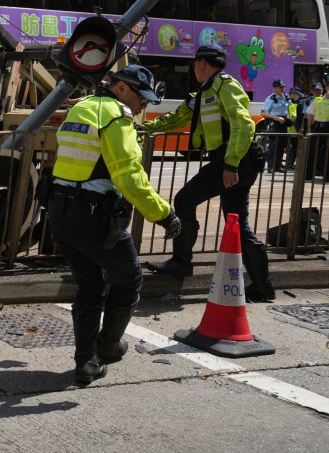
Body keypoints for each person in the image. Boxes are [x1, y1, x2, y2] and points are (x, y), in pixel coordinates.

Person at [48, 64, 180, 386]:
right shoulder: (116, 115)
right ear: (121, 88)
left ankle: (87, 361)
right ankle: (107, 346)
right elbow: (129, 177)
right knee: (129, 279)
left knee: (89, 284)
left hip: (60, 210)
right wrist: (164, 214)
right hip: (94, 215)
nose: (143, 104)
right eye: (141, 97)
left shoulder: (81, 108)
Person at [141, 45, 275, 302]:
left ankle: (181, 262)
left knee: (184, 200)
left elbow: (244, 125)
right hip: (232, 161)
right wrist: (143, 127)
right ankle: (263, 286)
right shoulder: (203, 93)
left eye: (194, 64)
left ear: (202, 63)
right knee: (237, 222)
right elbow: (175, 119)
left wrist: (230, 165)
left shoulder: (226, 86)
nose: (193, 68)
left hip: (234, 160)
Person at [259, 78, 290, 173]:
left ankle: (278, 165)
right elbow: (263, 113)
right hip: (274, 123)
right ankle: (271, 166)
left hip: (283, 122)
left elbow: (288, 109)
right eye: (281, 87)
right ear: (275, 88)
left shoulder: (286, 97)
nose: (283, 88)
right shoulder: (271, 98)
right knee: (273, 145)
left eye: (283, 86)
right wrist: (277, 118)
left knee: (281, 145)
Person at [308, 82, 329, 178]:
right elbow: (311, 115)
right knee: (313, 150)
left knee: (327, 152)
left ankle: (327, 176)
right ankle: (308, 175)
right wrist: (309, 128)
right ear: (326, 88)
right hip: (318, 127)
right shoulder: (317, 99)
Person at [285, 86, 303, 169]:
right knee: (292, 147)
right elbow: (293, 116)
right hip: (291, 129)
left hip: (294, 129)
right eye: (293, 94)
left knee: (293, 147)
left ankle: (290, 163)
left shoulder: (299, 103)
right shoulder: (289, 103)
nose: (295, 96)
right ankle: (289, 163)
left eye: (296, 94)